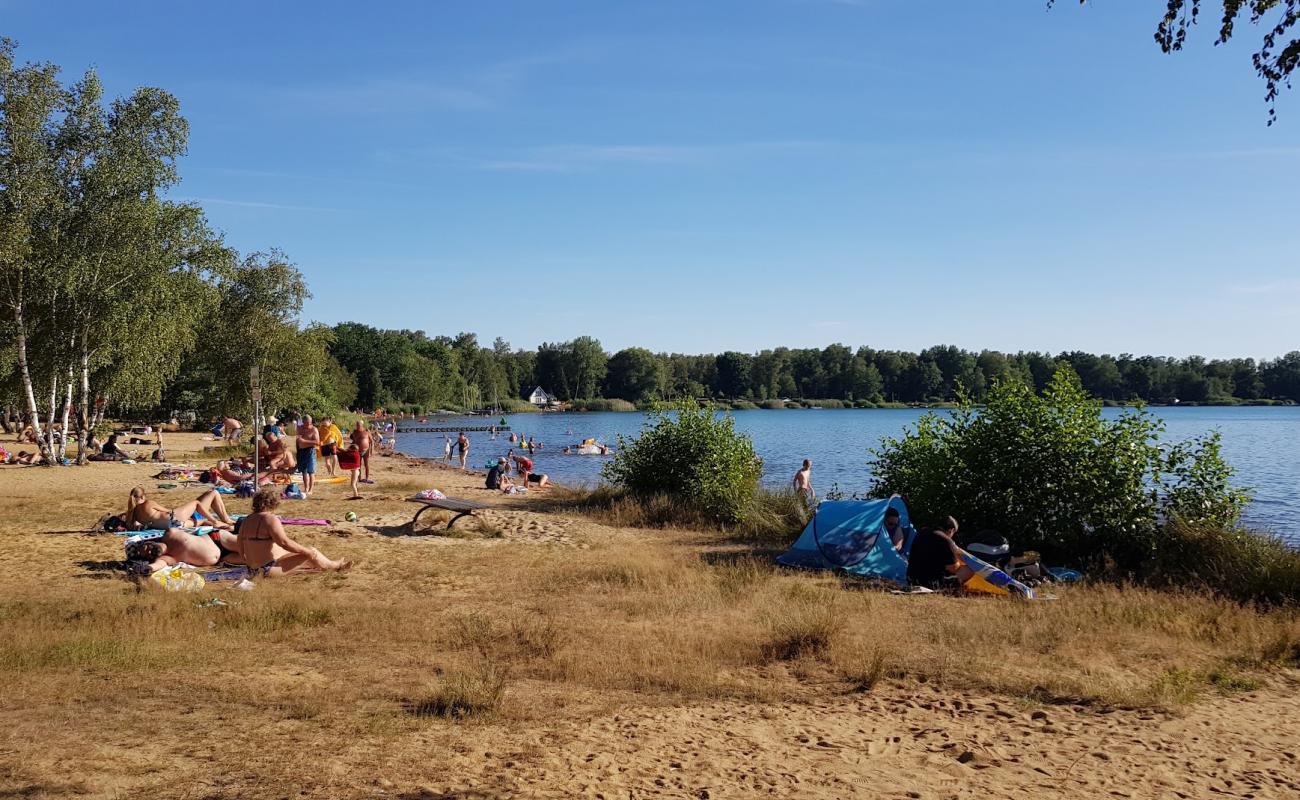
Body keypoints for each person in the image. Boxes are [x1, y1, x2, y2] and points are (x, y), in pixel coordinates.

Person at [237, 489, 352, 576]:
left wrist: (245, 560)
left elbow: (239, 542)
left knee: (300, 555)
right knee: (312, 552)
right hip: (268, 569)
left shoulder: (247, 520)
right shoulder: (270, 519)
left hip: (252, 570)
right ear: (273, 503)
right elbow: (284, 543)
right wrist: (306, 552)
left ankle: (330, 565)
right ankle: (335, 566)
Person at [126, 525, 243, 573]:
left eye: (146, 547)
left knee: (248, 547)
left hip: (217, 539)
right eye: (147, 554)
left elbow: (188, 528)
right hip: (222, 558)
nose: (149, 551)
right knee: (252, 559)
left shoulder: (169, 534)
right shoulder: (167, 558)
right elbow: (158, 565)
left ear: (149, 541)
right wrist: (147, 568)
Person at [122, 486, 237, 531]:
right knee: (209, 496)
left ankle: (228, 526)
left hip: (173, 527)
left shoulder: (133, 513)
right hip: (173, 519)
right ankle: (219, 521)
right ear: (142, 496)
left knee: (201, 520)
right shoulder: (148, 503)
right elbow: (167, 511)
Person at [906, 516, 975, 589]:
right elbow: (953, 568)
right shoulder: (946, 540)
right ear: (951, 530)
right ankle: (952, 588)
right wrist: (959, 562)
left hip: (912, 579)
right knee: (970, 569)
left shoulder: (922, 533)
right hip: (930, 582)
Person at [295, 415, 320, 496]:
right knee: (304, 471)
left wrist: (304, 441)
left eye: (310, 423)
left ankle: (310, 489)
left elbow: (317, 442)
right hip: (301, 451)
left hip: (310, 451)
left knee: (311, 471)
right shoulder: (300, 428)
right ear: (304, 422)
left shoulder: (313, 429)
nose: (309, 424)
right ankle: (306, 488)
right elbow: (298, 437)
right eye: (307, 423)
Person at [350, 421, 373, 485]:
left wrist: (371, 451)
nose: (358, 426)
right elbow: (353, 441)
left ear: (362, 425)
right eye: (357, 425)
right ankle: (359, 478)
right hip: (357, 451)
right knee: (358, 465)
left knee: (366, 465)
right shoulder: (354, 432)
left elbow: (371, 441)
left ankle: (366, 478)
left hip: (366, 450)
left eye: (359, 425)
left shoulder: (367, 431)